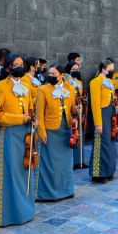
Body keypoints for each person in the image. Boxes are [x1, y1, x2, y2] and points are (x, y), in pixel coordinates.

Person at [0, 54, 37, 226]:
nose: (19, 67)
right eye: (15, 65)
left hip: (25, 133)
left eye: (21, 64)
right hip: (9, 134)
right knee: (11, 173)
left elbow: (30, 109)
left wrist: (32, 119)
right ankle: (10, 214)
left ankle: (26, 210)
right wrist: (19, 118)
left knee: (25, 171)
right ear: (8, 68)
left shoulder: (26, 85)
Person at [36, 64, 77, 201]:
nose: (51, 76)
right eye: (50, 73)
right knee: (50, 163)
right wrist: (41, 133)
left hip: (66, 129)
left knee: (66, 163)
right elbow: (39, 114)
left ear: (61, 75)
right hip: (50, 130)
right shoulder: (43, 89)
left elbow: (72, 109)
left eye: (54, 74)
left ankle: (67, 190)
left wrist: (78, 108)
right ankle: (49, 193)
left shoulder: (70, 89)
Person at [89, 60, 118, 184]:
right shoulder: (95, 82)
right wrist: (98, 123)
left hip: (110, 113)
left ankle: (109, 171)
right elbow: (95, 105)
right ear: (103, 70)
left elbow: (112, 96)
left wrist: (116, 105)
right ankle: (98, 174)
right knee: (101, 144)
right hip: (102, 115)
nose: (112, 71)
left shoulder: (110, 81)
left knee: (110, 144)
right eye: (110, 69)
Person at [65, 62, 88, 169]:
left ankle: (80, 161)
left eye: (77, 69)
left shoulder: (79, 82)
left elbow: (80, 96)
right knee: (72, 134)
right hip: (70, 109)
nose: (76, 71)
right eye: (73, 69)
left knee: (79, 134)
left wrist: (84, 99)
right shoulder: (65, 82)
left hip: (79, 110)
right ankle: (73, 162)